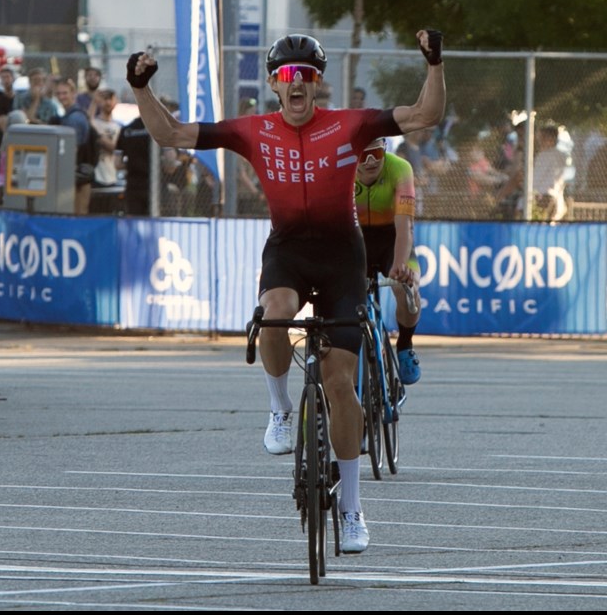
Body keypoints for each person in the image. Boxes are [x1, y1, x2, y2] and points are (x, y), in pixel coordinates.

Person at [125, 29, 445, 554]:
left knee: (342, 385)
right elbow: (172, 134)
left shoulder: (350, 126)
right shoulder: (253, 130)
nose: (298, 83)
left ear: (318, 84)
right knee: (274, 314)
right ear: (274, 83)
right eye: (288, 75)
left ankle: (353, 508)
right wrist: (140, 89)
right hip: (288, 251)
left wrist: (434, 63)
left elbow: (423, 115)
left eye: (308, 75)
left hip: (344, 255)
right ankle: (278, 409)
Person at [354, 138, 422, 384]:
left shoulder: (400, 168)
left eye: (377, 153)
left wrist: (401, 266)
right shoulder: (342, 170)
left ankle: (405, 344)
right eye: (364, 155)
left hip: (391, 239)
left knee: (407, 288)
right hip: (355, 239)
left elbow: (405, 225)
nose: (372, 161)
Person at [55, 78, 93, 215]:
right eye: (58, 93)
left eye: (64, 93)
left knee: (77, 214)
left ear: (73, 93)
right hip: (78, 173)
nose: (61, 97)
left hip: (76, 174)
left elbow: (73, 149)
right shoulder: (68, 116)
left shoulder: (74, 119)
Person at [532, 121, 570, 221]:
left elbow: (535, 180)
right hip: (557, 199)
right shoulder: (563, 156)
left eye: (542, 137)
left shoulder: (544, 155)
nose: (539, 140)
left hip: (542, 197)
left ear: (551, 138)